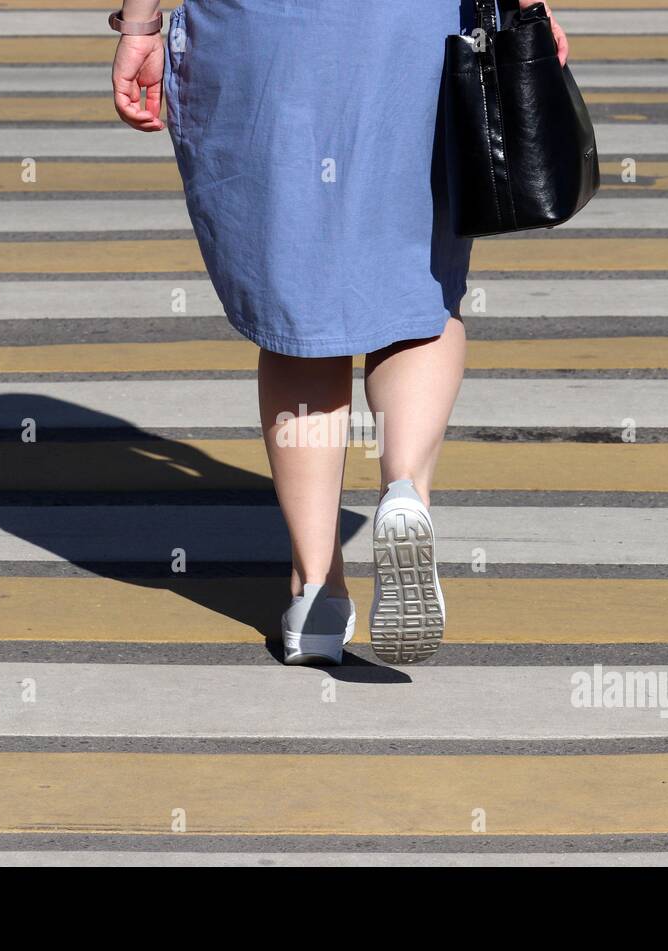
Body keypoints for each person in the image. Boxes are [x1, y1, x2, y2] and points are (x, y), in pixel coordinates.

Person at [111, 0, 569, 666]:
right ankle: (404, 483)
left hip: (262, 36)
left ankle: (317, 588)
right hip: (407, 28)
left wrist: (140, 24)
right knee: (416, 292)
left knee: (299, 313)